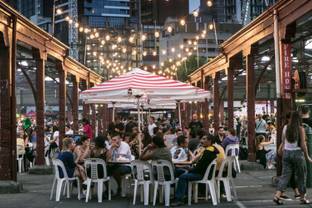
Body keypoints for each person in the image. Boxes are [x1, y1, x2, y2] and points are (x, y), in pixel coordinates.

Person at [274, 111, 312, 205]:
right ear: (299, 119)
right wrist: (307, 156)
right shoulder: (301, 129)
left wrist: (281, 151)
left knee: (285, 176)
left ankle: (277, 196)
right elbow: (303, 145)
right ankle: (303, 198)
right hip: (297, 154)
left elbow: (283, 141)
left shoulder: (285, 127)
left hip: (286, 153)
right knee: (301, 176)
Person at [171, 134, 218, 206]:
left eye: (204, 139)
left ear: (209, 141)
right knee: (184, 173)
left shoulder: (208, 152)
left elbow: (200, 167)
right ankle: (184, 196)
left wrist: (190, 169)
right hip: (204, 173)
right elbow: (200, 164)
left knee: (183, 176)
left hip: (201, 174)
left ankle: (179, 199)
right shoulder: (211, 149)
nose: (202, 141)